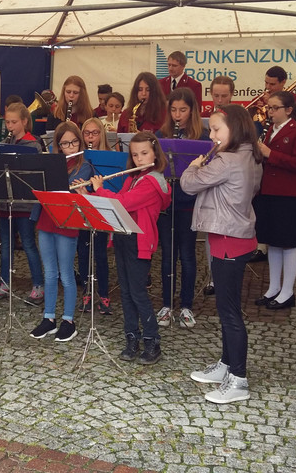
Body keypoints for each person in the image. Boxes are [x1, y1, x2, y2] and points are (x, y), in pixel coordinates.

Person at [182, 105, 264, 403]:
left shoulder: (227, 160)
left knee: (229, 313)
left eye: (216, 129)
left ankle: (238, 380)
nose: (211, 135)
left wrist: (194, 165)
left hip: (229, 238)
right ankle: (226, 365)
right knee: (226, 308)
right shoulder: (249, 155)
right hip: (231, 236)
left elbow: (188, 184)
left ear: (236, 129)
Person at [92, 132, 171, 364]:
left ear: (155, 154)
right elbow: (119, 198)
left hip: (140, 241)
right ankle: (132, 337)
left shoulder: (152, 182)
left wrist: (99, 189)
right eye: (135, 155)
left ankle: (152, 341)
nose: (139, 159)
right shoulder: (133, 178)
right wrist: (89, 193)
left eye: (144, 153)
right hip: (124, 237)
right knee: (125, 292)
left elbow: (123, 203)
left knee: (138, 293)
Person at [29, 122, 93, 342]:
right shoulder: (51, 163)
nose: (70, 147)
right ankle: (49, 318)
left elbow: (70, 188)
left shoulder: (84, 166)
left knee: (66, 274)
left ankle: (68, 320)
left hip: (67, 221)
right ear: (58, 145)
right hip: (46, 219)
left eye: (74, 142)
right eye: (65, 143)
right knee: (49, 272)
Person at [154, 88, 208, 328]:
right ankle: (167, 304)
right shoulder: (161, 135)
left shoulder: (202, 138)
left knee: (187, 254)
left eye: (183, 110)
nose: (178, 115)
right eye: (174, 110)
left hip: (189, 202)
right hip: (167, 201)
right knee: (167, 254)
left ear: (192, 111)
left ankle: (186, 306)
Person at [253, 91, 296, 309]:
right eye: (268, 108)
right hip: (267, 190)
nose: (270, 112)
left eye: (274, 108)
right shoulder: (270, 130)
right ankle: (273, 287)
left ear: (288, 110)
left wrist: (270, 154)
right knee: (272, 241)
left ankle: (288, 291)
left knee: (288, 242)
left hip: (286, 193)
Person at [0, 102, 45, 302]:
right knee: (5, 244)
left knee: (28, 243)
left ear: (24, 122)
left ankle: (38, 285)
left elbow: (35, 176)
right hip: (4, 203)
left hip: (25, 204)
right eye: (8, 122)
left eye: (14, 122)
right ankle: (4, 283)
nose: (10, 126)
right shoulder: (4, 143)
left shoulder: (33, 145)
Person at [77, 117, 111, 314]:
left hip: (101, 210)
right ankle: (86, 293)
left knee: (100, 254)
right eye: (87, 133)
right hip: (83, 211)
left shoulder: (108, 158)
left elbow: (113, 189)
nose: (90, 137)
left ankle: (104, 295)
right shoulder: (79, 158)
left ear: (101, 135)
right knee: (83, 253)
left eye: (95, 133)